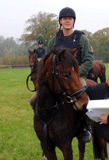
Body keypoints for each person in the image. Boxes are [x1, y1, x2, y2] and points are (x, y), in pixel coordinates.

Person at [33, 7, 94, 143]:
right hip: (58, 78)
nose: (67, 21)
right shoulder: (54, 40)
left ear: (73, 21)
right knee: (33, 100)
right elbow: (46, 60)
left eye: (70, 19)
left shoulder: (81, 38)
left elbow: (89, 60)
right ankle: (42, 124)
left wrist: (76, 73)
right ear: (60, 21)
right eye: (64, 19)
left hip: (77, 76)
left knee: (83, 98)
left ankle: (86, 128)